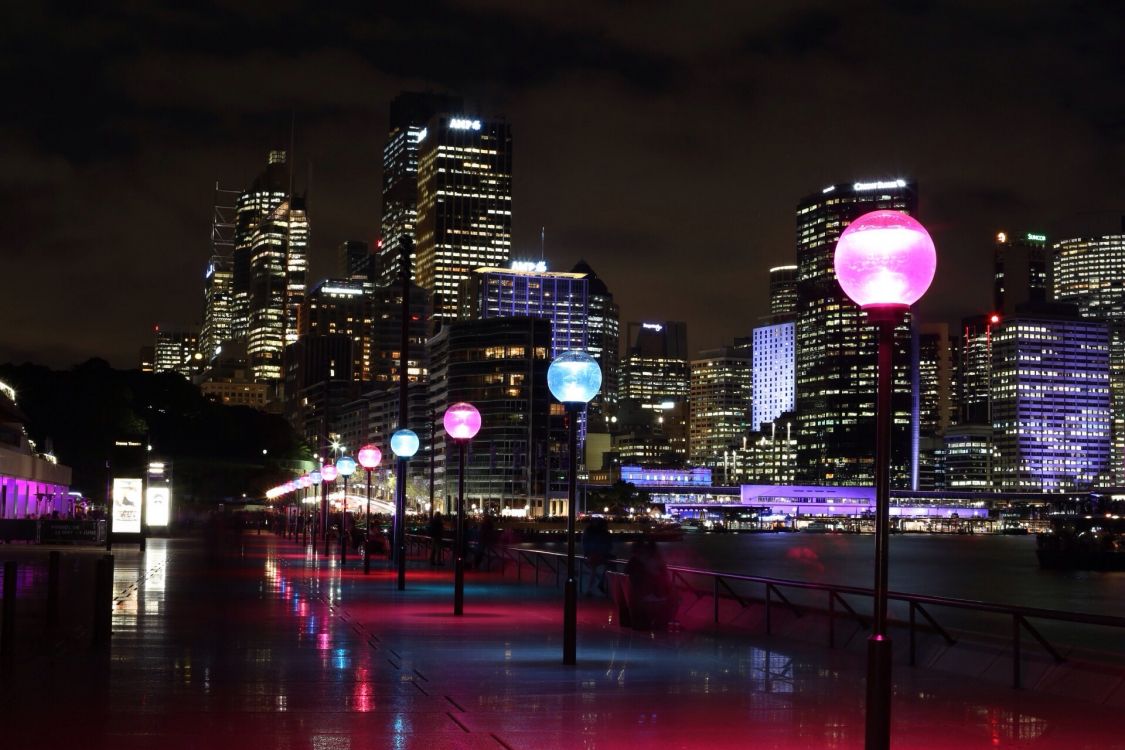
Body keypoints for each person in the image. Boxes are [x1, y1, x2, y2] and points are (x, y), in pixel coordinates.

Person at [582, 517, 612, 596]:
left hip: (590, 555)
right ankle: (602, 583)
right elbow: (609, 545)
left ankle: (589, 589)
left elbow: (584, 542)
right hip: (600, 554)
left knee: (593, 571)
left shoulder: (588, 531)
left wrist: (586, 553)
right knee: (610, 565)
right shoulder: (604, 533)